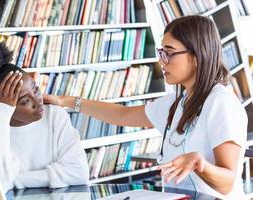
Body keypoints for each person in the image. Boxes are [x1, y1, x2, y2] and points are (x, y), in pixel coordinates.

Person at [44, 15, 248, 199]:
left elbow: (227, 183)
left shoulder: (221, 103)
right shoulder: (178, 101)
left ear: (196, 57)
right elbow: (122, 115)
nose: (162, 61)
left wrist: (199, 164)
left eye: (169, 53)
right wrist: (66, 101)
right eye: (161, 52)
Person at [0, 38, 89, 193]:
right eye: (25, 100)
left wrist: (15, 180)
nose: (38, 101)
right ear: (2, 105)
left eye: (35, 89)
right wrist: (1, 115)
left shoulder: (55, 116)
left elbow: (79, 173)